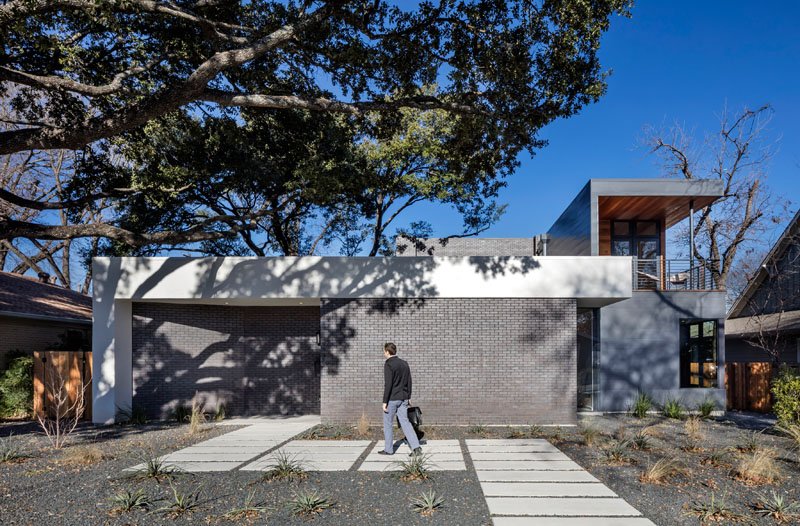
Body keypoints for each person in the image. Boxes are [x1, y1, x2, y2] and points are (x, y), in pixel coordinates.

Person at [378, 342, 422, 456]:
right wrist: (409, 397)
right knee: (405, 423)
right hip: (403, 398)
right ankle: (416, 448)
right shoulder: (404, 363)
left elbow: (388, 384)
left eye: (384, 351)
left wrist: (384, 401)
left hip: (392, 399)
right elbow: (409, 381)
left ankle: (389, 449)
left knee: (388, 424)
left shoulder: (388, 364)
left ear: (387, 351)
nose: (384, 353)